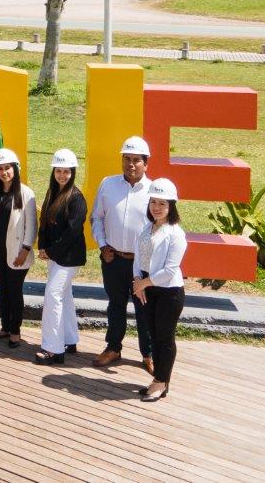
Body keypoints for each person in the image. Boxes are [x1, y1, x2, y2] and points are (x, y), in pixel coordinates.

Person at [91, 136, 154, 373]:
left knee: (144, 309)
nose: (131, 164)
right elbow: (96, 217)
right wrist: (103, 245)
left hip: (142, 265)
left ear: (146, 164)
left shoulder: (153, 190)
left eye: (136, 160)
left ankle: (148, 354)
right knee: (115, 305)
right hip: (113, 259)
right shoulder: (108, 184)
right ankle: (113, 347)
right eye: (127, 159)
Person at [132, 178, 187, 402]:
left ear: (171, 206)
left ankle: (161, 382)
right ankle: (159, 380)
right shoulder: (147, 227)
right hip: (147, 288)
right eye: (153, 202)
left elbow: (170, 269)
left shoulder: (176, 234)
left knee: (165, 339)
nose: (156, 207)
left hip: (168, 292)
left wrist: (143, 283)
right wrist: (137, 279)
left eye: (162, 203)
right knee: (153, 336)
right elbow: (138, 257)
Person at [34, 149, 87, 364]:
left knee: (52, 296)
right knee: (63, 296)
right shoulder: (52, 192)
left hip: (69, 257)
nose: (62, 175)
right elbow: (44, 222)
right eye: (59, 171)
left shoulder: (76, 198)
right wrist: (43, 246)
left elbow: (72, 232)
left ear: (73, 172)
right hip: (56, 256)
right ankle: (69, 339)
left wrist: (52, 251)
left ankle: (53, 349)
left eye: (66, 171)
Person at [0, 149, 37, 347]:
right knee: (2, 290)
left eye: (8, 168)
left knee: (14, 291)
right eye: (0, 169)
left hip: (16, 251)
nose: (4, 172)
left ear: (15, 169)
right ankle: (5, 327)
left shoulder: (26, 193)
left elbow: (31, 226)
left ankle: (15, 331)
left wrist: (25, 249)